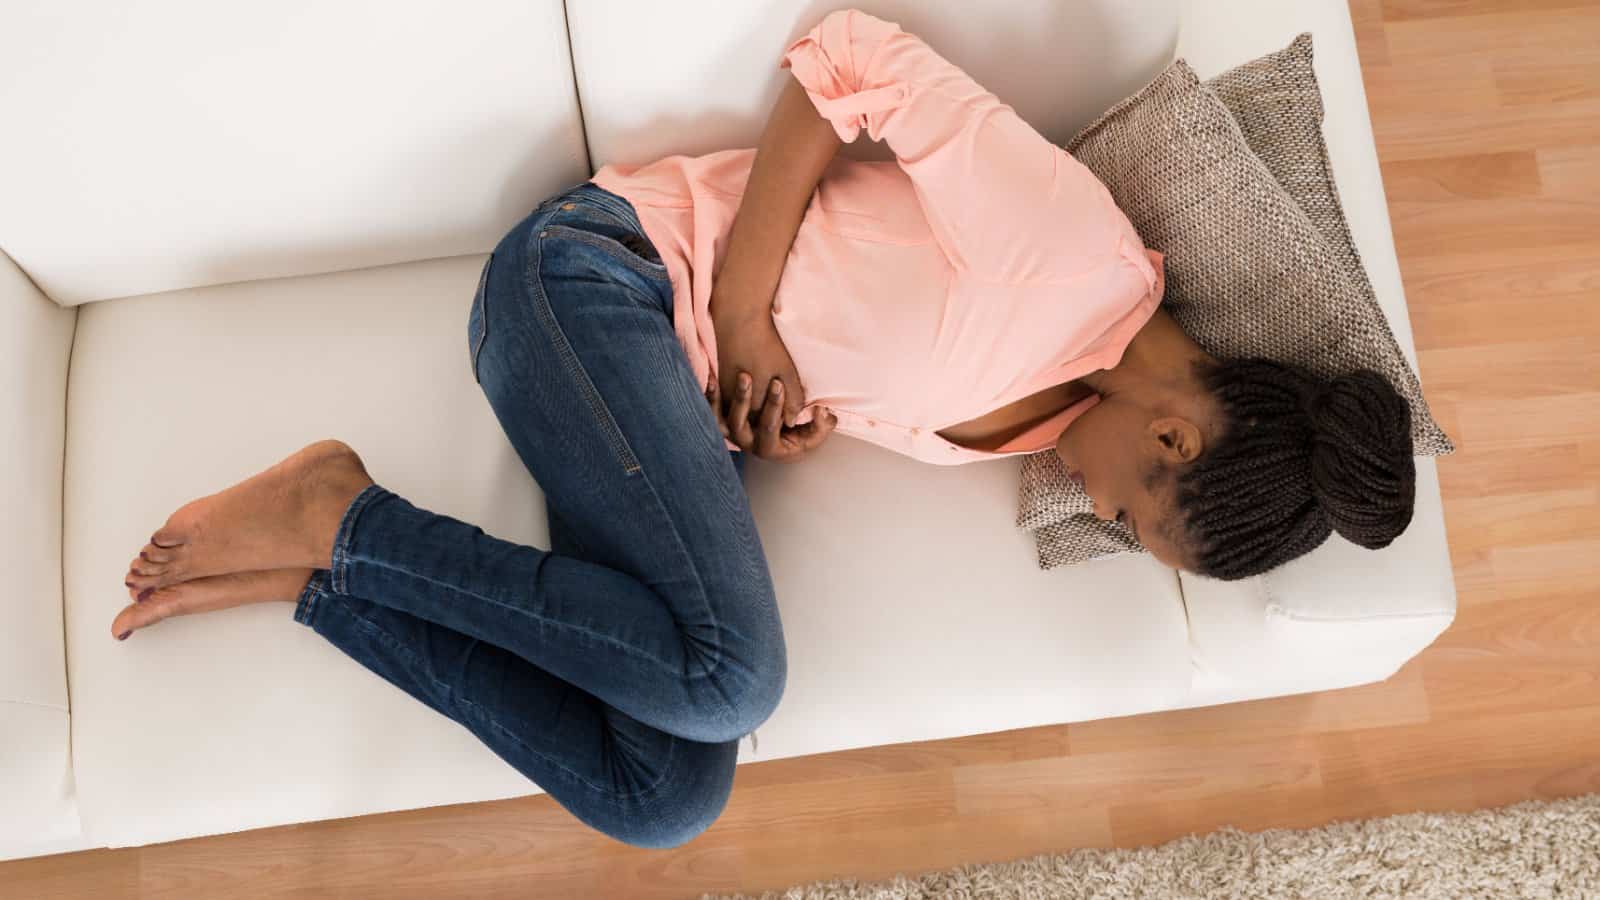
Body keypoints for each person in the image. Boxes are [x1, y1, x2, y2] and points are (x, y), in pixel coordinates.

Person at [110, 8, 1414, 846]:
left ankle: (326, 580)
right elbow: (853, 54)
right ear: (1177, 435)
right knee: (733, 682)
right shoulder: (1068, 258)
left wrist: (780, 418)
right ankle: (347, 516)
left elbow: (854, 338)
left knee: (663, 795)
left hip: (651, 395)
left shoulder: (1053, 416)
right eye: (1132, 513)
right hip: (593, 278)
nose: (1098, 511)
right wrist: (739, 308)